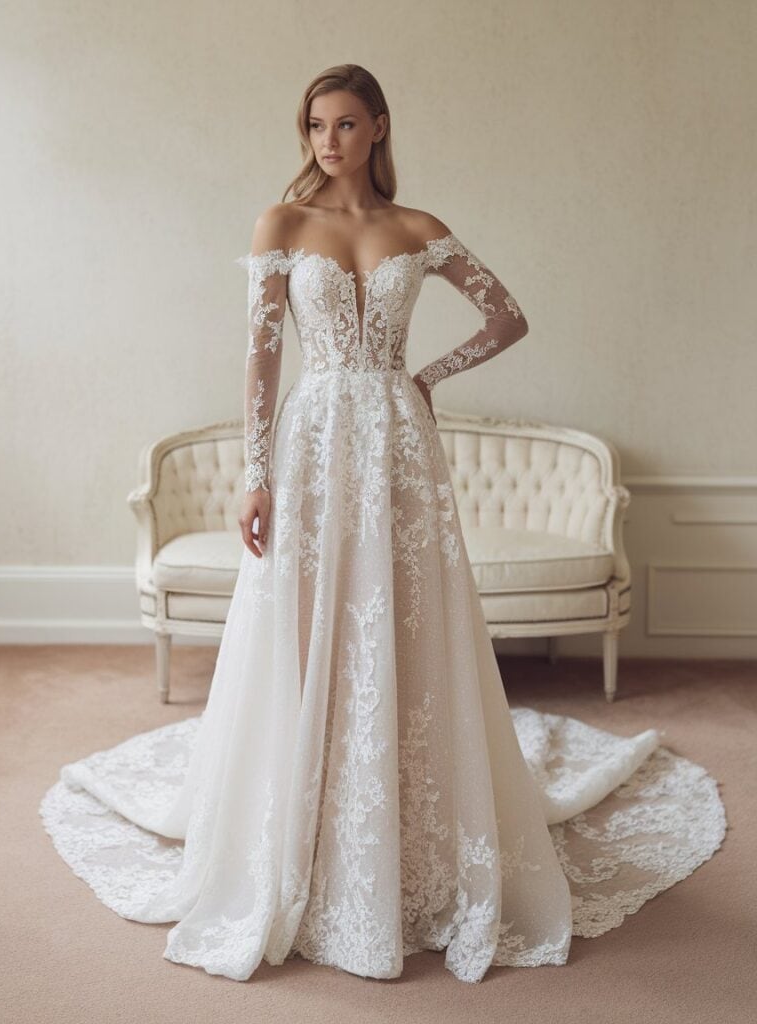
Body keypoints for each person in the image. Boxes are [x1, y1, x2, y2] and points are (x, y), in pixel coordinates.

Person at [39, 63, 726, 985]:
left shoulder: (418, 229)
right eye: (316, 124)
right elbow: (260, 359)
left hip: (399, 445)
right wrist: (254, 475)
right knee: (313, 614)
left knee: (402, 615)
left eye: (346, 123)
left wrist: (426, 379)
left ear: (379, 129)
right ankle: (305, 823)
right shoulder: (282, 225)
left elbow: (507, 316)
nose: (327, 140)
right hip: (315, 440)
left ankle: (412, 821)